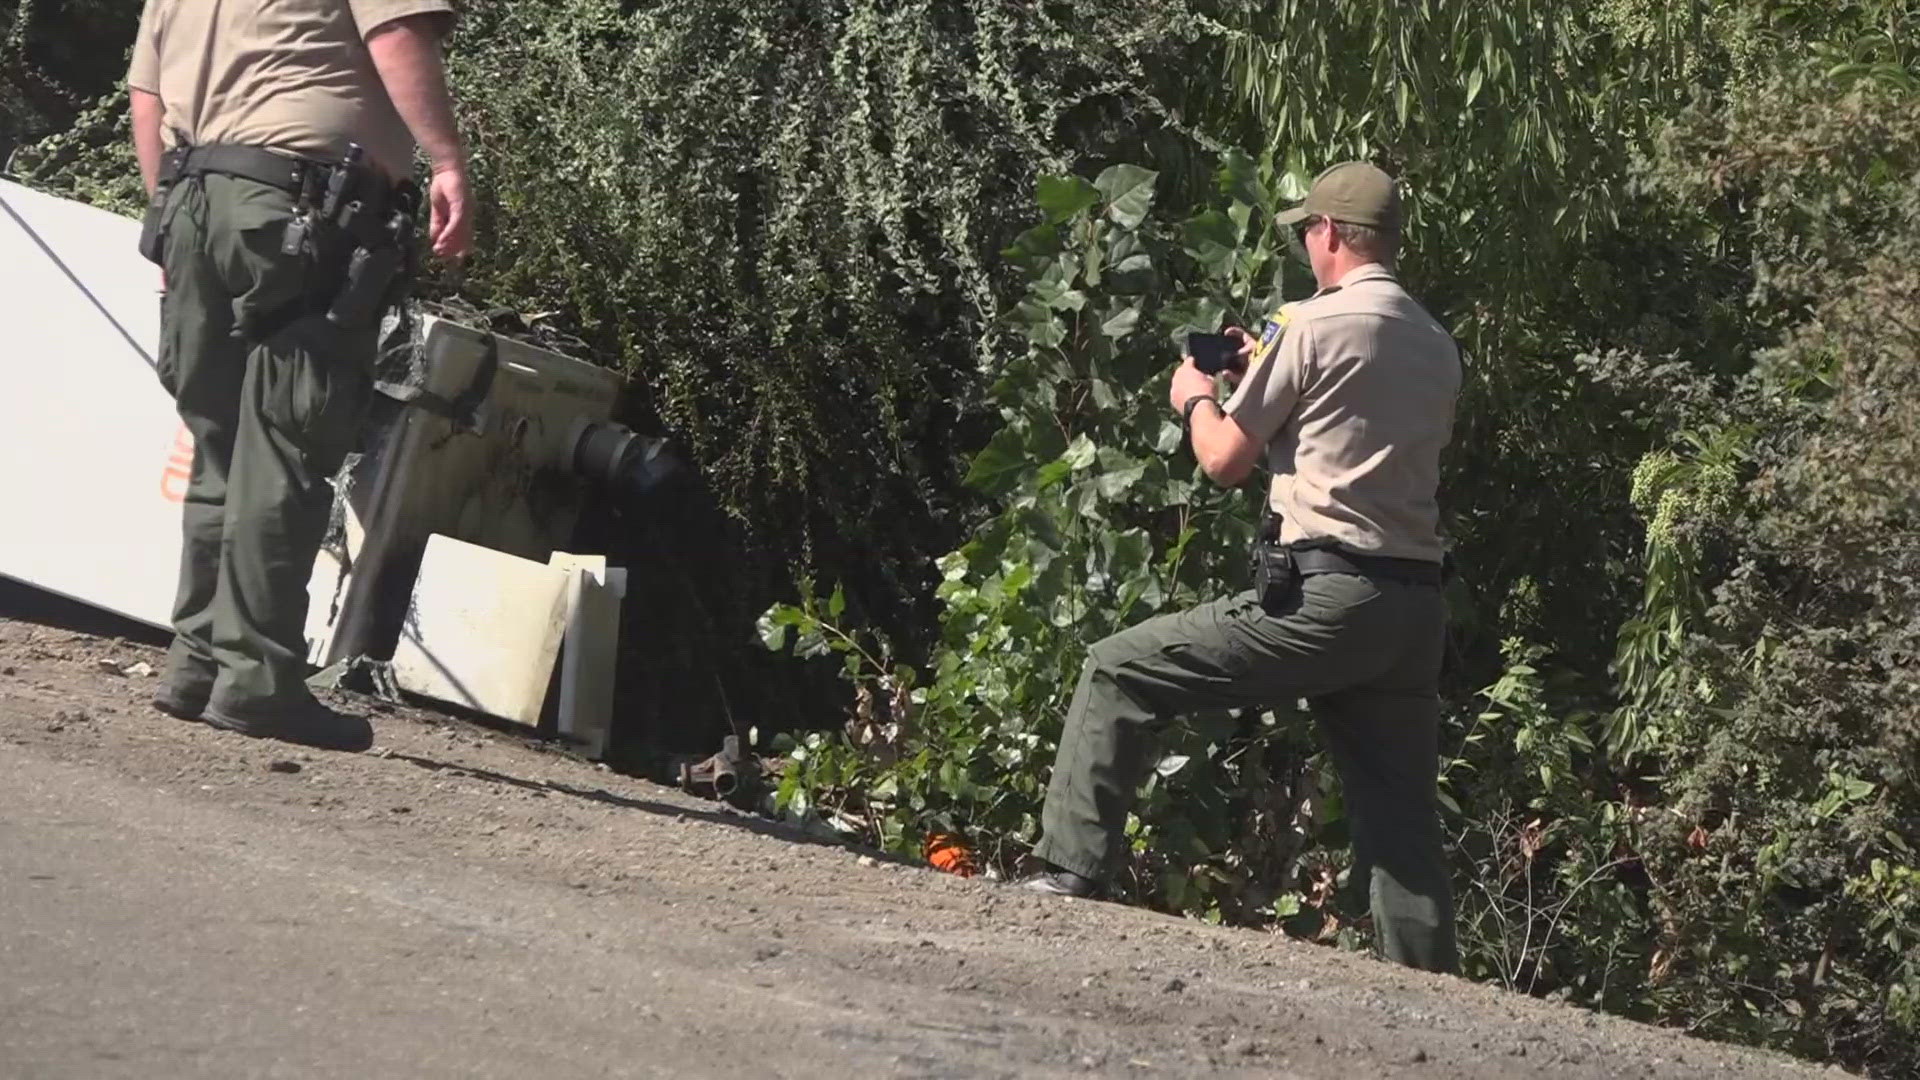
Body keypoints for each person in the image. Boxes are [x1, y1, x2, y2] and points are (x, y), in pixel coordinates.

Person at [1017, 162, 1463, 972]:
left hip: (1330, 597)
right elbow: (1348, 432)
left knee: (1118, 671)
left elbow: (1223, 459)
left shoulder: (1317, 324)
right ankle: (1437, 989)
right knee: (1401, 822)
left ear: (1328, 233)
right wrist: (1269, 368)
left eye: (1306, 229)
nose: (1303, 241)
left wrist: (1194, 394)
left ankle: (1068, 875)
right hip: (1414, 609)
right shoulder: (1435, 340)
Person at [128, 0, 474, 751]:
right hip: (301, 207)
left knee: (218, 443)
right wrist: (446, 160)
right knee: (285, 445)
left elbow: (147, 98)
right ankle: (257, 682)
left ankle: (196, 664)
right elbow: (395, 33)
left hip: (192, 196)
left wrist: (168, 220)